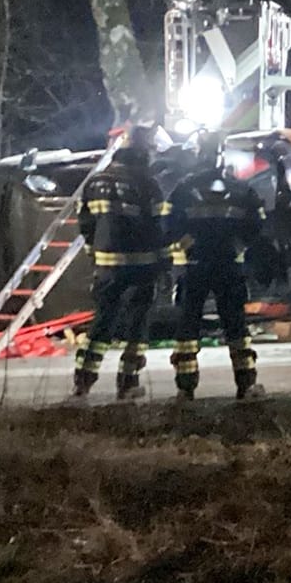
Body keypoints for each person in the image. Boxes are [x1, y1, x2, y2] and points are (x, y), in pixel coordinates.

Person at [165, 131, 267, 399]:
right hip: (228, 265)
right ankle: (246, 383)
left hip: (195, 265)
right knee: (235, 324)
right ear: (222, 156)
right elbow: (257, 224)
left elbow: (168, 223)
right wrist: (238, 246)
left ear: (199, 155)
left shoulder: (184, 189)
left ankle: (185, 387)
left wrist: (189, 246)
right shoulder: (241, 189)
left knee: (188, 325)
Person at [72, 125, 167, 400]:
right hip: (141, 266)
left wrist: (95, 254)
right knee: (137, 327)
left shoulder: (95, 182)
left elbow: (85, 223)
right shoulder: (147, 183)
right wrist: (163, 262)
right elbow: (158, 226)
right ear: (142, 151)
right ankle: (128, 383)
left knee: (102, 322)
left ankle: (83, 382)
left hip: (106, 267)